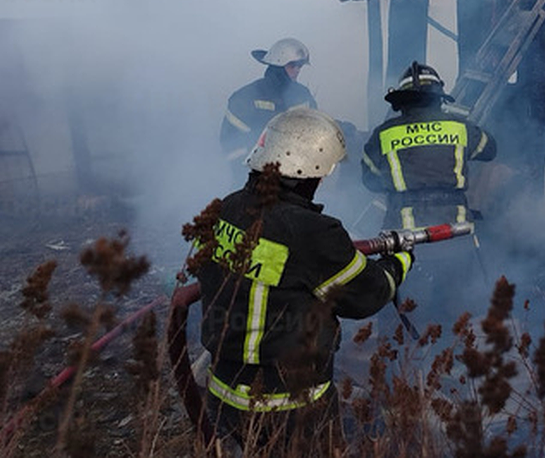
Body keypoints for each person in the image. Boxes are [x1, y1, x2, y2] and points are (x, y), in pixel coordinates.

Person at [195, 106, 413, 455]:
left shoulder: (225, 209)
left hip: (222, 394)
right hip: (287, 405)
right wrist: (400, 260)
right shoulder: (312, 232)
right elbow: (367, 294)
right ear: (311, 170)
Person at [361, 62, 497, 230]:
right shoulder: (460, 127)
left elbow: (370, 180)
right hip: (455, 231)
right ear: (439, 98)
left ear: (401, 101)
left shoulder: (383, 134)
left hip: (404, 235)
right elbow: (490, 150)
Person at [220, 38, 317, 181]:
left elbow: (314, 130)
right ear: (277, 66)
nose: (297, 70)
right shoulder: (245, 97)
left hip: (294, 179)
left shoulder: (303, 96)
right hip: (253, 180)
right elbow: (231, 143)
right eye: (292, 65)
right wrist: (253, 172)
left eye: (300, 66)